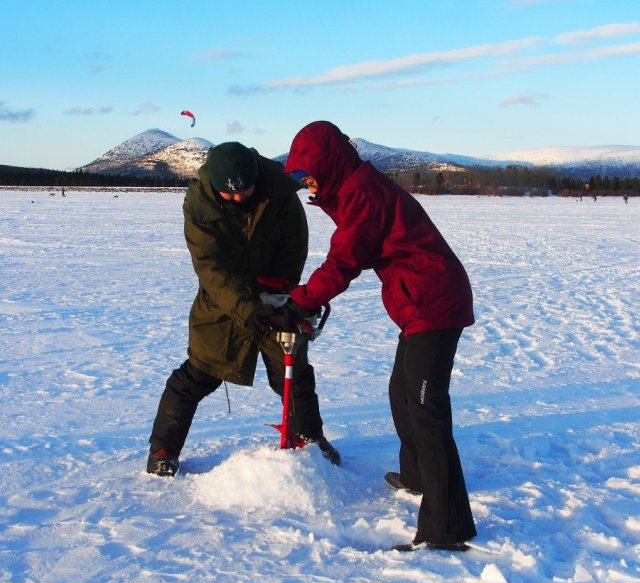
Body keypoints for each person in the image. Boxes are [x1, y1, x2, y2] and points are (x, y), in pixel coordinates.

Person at [278, 121, 477, 551]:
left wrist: (303, 300)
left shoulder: (361, 194)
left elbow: (345, 259)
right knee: (401, 390)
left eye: (306, 172)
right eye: (296, 178)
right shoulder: (353, 188)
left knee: (427, 409)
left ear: (327, 162)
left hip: (434, 301)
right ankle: (417, 476)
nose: (304, 182)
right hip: (421, 302)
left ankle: (446, 529)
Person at [146, 141, 340, 476]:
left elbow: (294, 250)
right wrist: (244, 306)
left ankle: (310, 440)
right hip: (221, 303)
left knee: (294, 376)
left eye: (244, 190)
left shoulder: (280, 197)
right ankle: (163, 449)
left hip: (275, 298)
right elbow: (210, 267)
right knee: (195, 378)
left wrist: (279, 298)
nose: (237, 198)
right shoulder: (199, 204)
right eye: (228, 193)